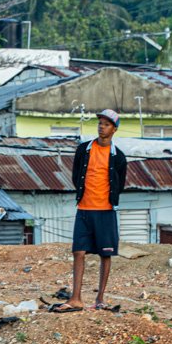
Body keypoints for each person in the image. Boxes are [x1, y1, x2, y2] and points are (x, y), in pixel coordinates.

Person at [50, 110, 128, 313]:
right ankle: (76, 298)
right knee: (78, 251)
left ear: (114, 129)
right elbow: (77, 175)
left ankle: (100, 298)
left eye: (107, 124)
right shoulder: (84, 150)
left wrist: (107, 199)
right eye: (100, 123)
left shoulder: (118, 157)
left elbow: (120, 183)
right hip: (84, 208)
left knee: (105, 254)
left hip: (106, 210)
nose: (102, 127)